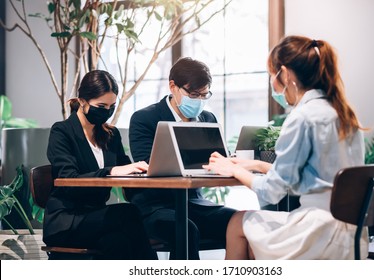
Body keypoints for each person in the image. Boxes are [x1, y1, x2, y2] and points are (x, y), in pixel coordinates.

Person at [203, 35, 366, 259]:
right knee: (254, 236)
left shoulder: (303, 117)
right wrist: (257, 165)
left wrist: (235, 170)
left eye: (272, 74)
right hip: (353, 234)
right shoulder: (344, 115)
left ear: (285, 73)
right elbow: (319, 176)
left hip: (318, 232)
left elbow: (272, 191)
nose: (272, 81)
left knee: (237, 223)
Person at [125, 57, 237, 260]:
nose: (199, 101)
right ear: (173, 86)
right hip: (156, 206)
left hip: (195, 203)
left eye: (204, 95)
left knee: (239, 221)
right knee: (185, 229)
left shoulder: (208, 119)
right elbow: (147, 164)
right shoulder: (145, 119)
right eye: (194, 94)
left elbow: (216, 160)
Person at [44, 70, 158, 260]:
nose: (107, 111)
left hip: (98, 219)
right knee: (127, 214)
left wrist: (147, 173)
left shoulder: (111, 136)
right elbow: (68, 180)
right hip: (67, 221)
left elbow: (127, 174)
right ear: (82, 101)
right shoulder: (62, 132)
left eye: (112, 106)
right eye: (101, 106)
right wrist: (112, 171)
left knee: (118, 243)